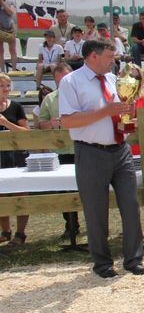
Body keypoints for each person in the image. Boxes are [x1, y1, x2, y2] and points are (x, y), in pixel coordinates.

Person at [58, 39, 144, 278]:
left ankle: (134, 259)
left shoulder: (113, 79)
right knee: (96, 210)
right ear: (93, 56)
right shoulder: (71, 81)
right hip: (90, 151)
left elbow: (117, 111)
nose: (113, 62)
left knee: (131, 205)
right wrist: (105, 112)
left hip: (120, 148)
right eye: (110, 57)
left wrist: (127, 119)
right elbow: (67, 120)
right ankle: (103, 264)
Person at [38, 63, 79, 238]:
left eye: (65, 78)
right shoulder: (50, 99)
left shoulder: (80, 96)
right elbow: (41, 123)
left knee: (86, 188)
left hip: (81, 147)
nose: (62, 82)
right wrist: (52, 124)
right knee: (64, 190)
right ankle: (70, 224)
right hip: (60, 151)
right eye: (58, 79)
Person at [0, 72, 30, 246]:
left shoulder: (16, 107)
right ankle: (5, 231)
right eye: (2, 86)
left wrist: (7, 124)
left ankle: (20, 233)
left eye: (8, 86)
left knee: (21, 191)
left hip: (16, 154)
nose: (5, 89)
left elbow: (27, 132)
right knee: (1, 193)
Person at [0, 0, 19, 72]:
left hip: (10, 29)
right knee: (0, 52)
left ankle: (14, 71)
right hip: (0, 29)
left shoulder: (10, 1)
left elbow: (11, 12)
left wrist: (2, 3)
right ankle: (2, 71)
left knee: (13, 51)